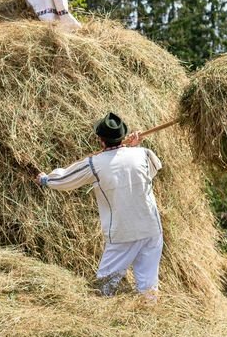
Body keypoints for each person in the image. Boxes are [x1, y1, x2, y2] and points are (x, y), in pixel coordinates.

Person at [34, 112, 164, 299]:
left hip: (122, 233)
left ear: (101, 140)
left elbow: (66, 180)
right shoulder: (143, 154)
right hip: (151, 228)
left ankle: (104, 321)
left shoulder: (95, 164)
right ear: (123, 136)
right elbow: (150, 173)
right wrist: (134, 148)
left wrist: (46, 180)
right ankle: (151, 316)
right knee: (148, 285)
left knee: (104, 284)